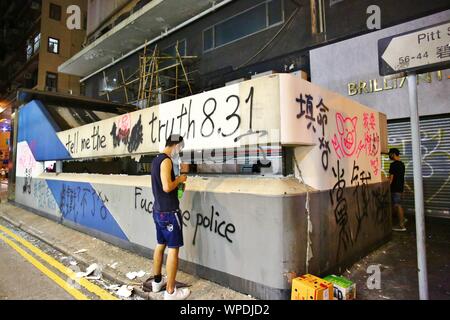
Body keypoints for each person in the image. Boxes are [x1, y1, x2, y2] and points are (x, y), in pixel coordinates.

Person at [150, 134, 190, 300]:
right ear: (175, 144)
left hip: (158, 210)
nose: (180, 150)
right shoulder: (166, 160)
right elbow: (167, 187)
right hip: (169, 212)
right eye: (180, 147)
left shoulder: (156, 160)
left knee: (160, 245)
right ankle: (171, 292)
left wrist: (180, 181)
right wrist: (180, 178)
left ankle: (157, 282)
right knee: (173, 249)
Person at [389, 148, 406, 232]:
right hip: (400, 188)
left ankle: (401, 225)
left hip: (395, 188)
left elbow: (391, 179)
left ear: (393, 154)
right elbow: (402, 178)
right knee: (397, 205)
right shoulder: (402, 164)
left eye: (390, 154)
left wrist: (387, 186)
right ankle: (402, 219)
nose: (389, 156)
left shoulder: (393, 165)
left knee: (397, 205)